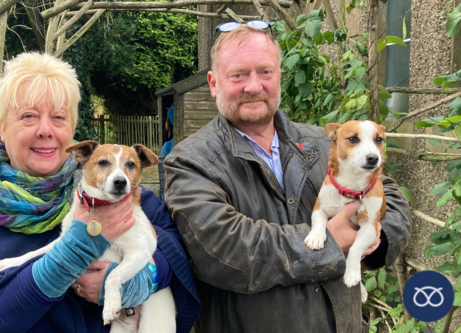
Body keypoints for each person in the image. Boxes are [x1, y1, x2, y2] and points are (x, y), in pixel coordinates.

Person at [163, 23, 411, 333]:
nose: (254, 86)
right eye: (238, 75)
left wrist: (373, 234)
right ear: (213, 84)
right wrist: (332, 243)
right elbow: (226, 251)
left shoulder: (325, 143)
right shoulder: (189, 162)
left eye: (265, 72)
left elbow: (392, 197)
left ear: (279, 76)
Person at [0, 52, 200, 333]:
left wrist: (146, 276)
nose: (45, 130)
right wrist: (72, 253)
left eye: (58, 117)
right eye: (28, 116)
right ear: (2, 127)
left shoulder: (120, 195)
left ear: (71, 128)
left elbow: (177, 253)